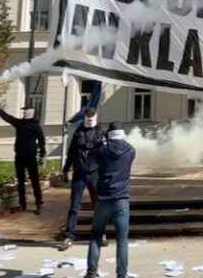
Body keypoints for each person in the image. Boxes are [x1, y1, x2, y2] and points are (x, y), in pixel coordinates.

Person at [86, 121, 136, 278]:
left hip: (103, 198)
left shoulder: (102, 150)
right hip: (121, 199)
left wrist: (101, 142)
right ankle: (122, 274)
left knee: (96, 236)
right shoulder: (130, 151)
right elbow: (125, 147)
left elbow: (90, 160)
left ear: (109, 134)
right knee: (122, 239)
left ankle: (91, 272)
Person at [0, 100, 46, 214]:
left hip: (31, 156)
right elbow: (7, 117)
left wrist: (42, 153)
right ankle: (22, 204)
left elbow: (42, 140)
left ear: (31, 112)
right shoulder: (19, 123)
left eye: (26, 111)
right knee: (20, 181)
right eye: (23, 111)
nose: (23, 113)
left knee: (35, 180)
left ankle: (39, 203)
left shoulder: (36, 126)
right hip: (19, 156)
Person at [59, 107, 102, 251]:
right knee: (74, 206)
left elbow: (105, 153)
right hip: (79, 173)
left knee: (98, 205)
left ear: (95, 117)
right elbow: (71, 152)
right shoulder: (78, 132)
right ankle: (69, 235)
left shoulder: (100, 132)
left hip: (94, 173)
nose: (90, 122)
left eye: (92, 119)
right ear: (84, 118)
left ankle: (99, 234)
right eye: (88, 119)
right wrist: (65, 170)